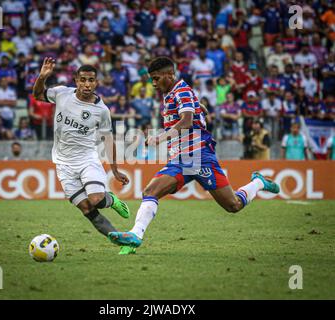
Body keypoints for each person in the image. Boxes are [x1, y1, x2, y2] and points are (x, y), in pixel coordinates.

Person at [108, 57, 280, 254]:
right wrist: (201, 108)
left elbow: (187, 120)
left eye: (156, 79)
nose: (153, 83)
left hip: (199, 155)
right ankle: (135, 236)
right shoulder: (173, 92)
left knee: (233, 205)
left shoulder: (181, 91)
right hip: (181, 158)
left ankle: (258, 183)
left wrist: (161, 137)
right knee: (150, 191)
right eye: (151, 80)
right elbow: (198, 108)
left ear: (169, 75)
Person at [32, 57, 131, 244]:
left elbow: (108, 140)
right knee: (86, 208)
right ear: (76, 80)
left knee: (96, 199)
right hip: (63, 164)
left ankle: (111, 200)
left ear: (97, 83)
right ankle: (121, 240)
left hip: (87, 160)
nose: (87, 84)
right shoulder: (61, 93)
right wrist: (42, 77)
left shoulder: (101, 110)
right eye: (83, 80)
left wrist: (115, 170)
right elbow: (37, 95)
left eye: (91, 80)